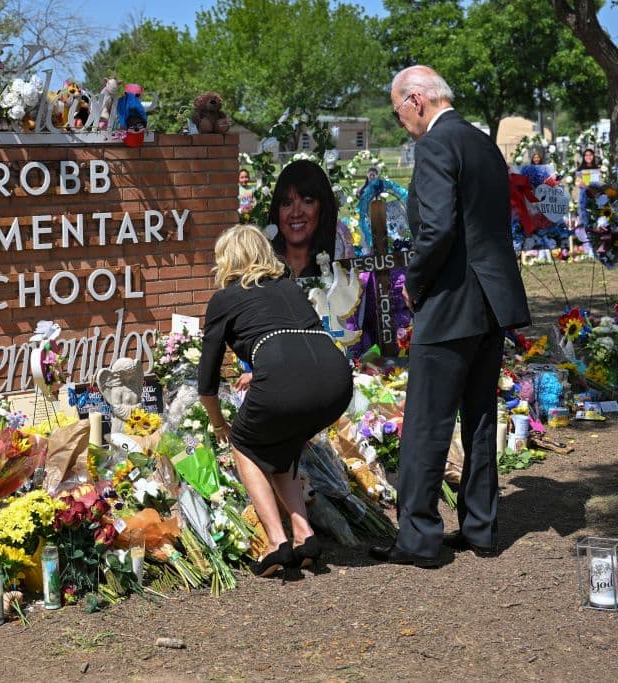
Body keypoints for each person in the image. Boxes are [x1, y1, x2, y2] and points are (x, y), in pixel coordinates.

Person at [372, 66, 530, 568]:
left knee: (425, 422)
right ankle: (481, 529)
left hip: (450, 301)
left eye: (399, 112)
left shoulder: (437, 145)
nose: (403, 125)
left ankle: (418, 538)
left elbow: (437, 230)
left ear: (416, 100)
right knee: (480, 419)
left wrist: (413, 286)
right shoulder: (483, 142)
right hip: (490, 303)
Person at [198, 225, 352, 577]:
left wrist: (220, 424)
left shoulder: (225, 298)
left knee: (245, 443)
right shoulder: (288, 288)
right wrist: (266, 371)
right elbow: (298, 338)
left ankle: (275, 542)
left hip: (288, 379)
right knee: (283, 445)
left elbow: (206, 381)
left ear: (228, 259)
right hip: (336, 378)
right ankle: (305, 535)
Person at [266, 159, 352, 277]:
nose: (296, 213)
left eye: (307, 201)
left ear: (323, 207)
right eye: (287, 203)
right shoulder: (260, 270)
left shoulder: (341, 263)